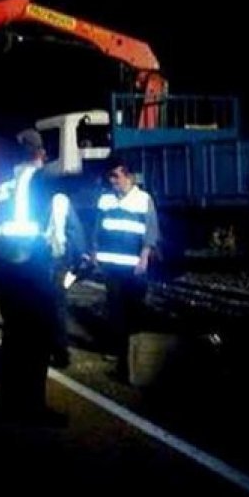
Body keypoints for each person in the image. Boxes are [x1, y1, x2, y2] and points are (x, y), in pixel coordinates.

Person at [0, 128, 86, 425]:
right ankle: (32, 408)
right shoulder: (42, 184)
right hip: (36, 274)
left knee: (15, 342)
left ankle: (7, 405)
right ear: (39, 154)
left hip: (7, 279)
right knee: (37, 347)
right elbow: (72, 172)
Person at [91, 157, 160, 383]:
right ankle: (116, 349)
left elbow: (150, 231)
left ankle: (135, 352)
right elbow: (97, 228)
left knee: (134, 309)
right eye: (111, 177)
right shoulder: (105, 199)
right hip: (111, 265)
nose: (113, 181)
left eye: (117, 177)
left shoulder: (143, 199)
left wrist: (144, 256)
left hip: (133, 266)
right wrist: (94, 251)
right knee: (115, 308)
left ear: (128, 177)